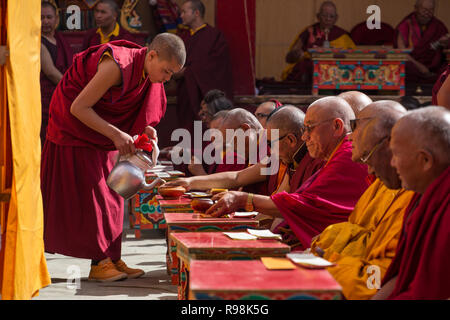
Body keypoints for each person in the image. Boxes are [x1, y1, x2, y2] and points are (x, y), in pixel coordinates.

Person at [41, 33, 186, 282]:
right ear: (151, 55)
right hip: (74, 125)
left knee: (115, 193)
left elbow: (139, 113)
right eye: (166, 71)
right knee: (96, 194)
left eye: (172, 74)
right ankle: (99, 263)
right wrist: (116, 134)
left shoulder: (147, 74)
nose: (167, 79)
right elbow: (78, 107)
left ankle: (111, 256)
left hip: (101, 130)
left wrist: (146, 131)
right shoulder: (117, 66)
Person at [205, 97, 370, 250]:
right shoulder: (318, 157)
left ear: (337, 126)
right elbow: (293, 199)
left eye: (309, 128)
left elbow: (304, 204)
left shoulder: (348, 155)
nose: (305, 137)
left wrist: (244, 200)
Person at [311, 101, 414, 300]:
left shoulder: (416, 197)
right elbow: (356, 232)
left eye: (367, 157)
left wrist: (330, 261)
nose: (368, 171)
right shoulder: (383, 184)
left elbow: (378, 280)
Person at [373, 106, 450, 300]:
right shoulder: (423, 196)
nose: (392, 164)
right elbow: (405, 274)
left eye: (396, 155)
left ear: (425, 160)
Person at [174, 0, 233, 135]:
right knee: (187, 135)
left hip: (204, 95)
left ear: (196, 13)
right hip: (186, 94)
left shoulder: (214, 36)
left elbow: (217, 65)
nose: (181, 16)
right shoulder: (182, 37)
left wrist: (188, 71)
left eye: (184, 12)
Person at [281, 1, 355, 83]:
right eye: (324, 15)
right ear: (318, 16)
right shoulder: (309, 32)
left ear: (336, 18)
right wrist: (299, 54)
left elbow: (352, 57)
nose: (328, 19)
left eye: (331, 16)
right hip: (309, 70)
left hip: (335, 70)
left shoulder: (342, 35)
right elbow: (289, 58)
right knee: (305, 67)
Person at [395, 0, 449, 90]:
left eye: (431, 10)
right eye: (424, 10)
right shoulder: (405, 25)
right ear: (416, 9)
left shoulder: (438, 26)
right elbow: (402, 53)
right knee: (404, 67)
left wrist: (446, 43)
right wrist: (420, 67)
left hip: (434, 68)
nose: (427, 13)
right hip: (413, 66)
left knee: (446, 69)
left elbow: (445, 51)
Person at [40, 1, 73, 146]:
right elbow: (50, 72)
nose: (45, 21)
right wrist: (73, 89)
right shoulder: (38, 41)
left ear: (56, 19)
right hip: (47, 97)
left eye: (49, 17)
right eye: (41, 17)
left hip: (63, 94)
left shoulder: (60, 39)